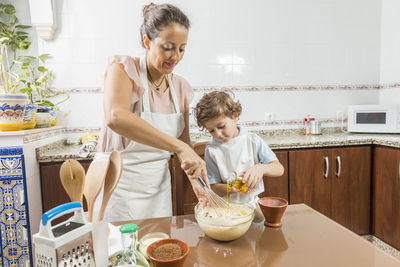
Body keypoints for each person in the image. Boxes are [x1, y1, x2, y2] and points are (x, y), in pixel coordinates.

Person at [98, 3, 208, 222]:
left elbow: (183, 145)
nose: (175, 56)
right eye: (168, 47)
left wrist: (199, 183)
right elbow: (115, 117)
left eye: (182, 48)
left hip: (158, 191)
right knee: (122, 253)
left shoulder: (180, 88)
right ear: (147, 41)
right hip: (120, 188)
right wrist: (179, 146)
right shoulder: (122, 70)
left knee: (158, 250)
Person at [193, 90, 284, 209]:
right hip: (225, 209)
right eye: (211, 130)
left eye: (221, 126)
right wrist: (232, 188)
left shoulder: (252, 141)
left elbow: (279, 169)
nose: (218, 134)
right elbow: (213, 187)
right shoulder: (212, 150)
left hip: (252, 207)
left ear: (235, 116)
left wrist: (260, 168)